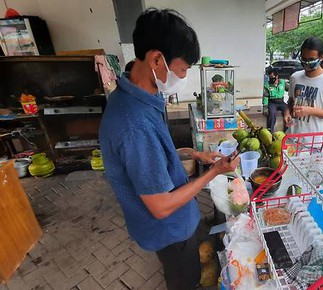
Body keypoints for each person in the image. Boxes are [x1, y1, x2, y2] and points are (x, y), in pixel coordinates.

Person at [98, 9, 239, 290]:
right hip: (168, 230)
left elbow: (152, 155)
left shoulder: (139, 95)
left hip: (180, 219)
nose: (184, 75)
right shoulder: (133, 124)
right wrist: (213, 173)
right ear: (156, 59)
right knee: (184, 280)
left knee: (195, 257)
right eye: (184, 68)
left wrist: (194, 153)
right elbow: (161, 206)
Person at [284, 36, 323, 143]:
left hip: (312, 141)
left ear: (322, 57)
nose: (307, 63)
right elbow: (291, 101)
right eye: (304, 59)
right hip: (291, 137)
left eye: (311, 60)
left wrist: (310, 110)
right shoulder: (295, 77)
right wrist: (287, 113)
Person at [263, 68, 288, 132]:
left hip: (281, 102)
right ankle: (270, 131)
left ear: (276, 76)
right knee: (272, 113)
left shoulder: (282, 82)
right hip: (272, 102)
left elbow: (289, 89)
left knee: (287, 111)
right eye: (269, 77)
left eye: (272, 77)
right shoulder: (267, 85)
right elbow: (265, 97)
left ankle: (287, 130)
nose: (271, 78)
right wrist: (265, 108)